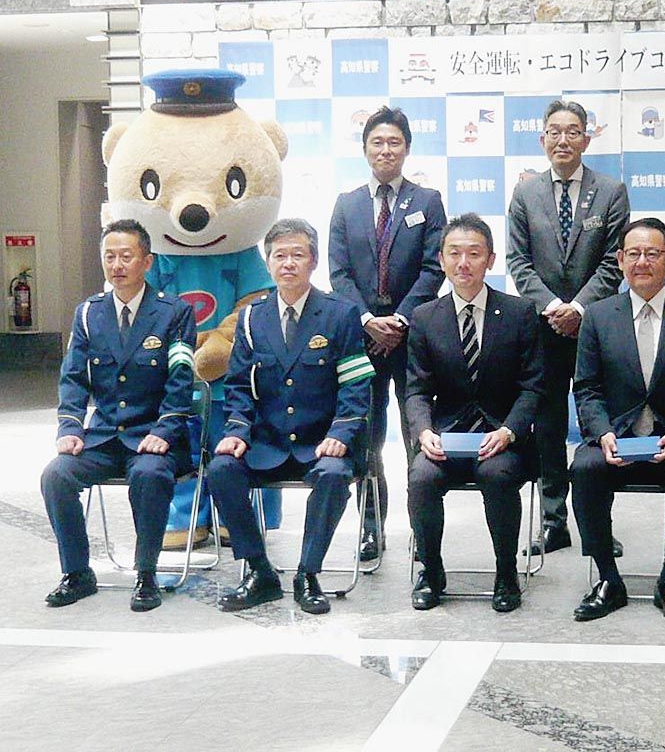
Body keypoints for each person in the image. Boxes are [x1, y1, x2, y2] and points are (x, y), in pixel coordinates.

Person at [209, 219, 375, 615]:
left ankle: (308, 574)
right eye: (279, 256)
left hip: (321, 443)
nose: (288, 264)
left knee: (333, 476)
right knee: (220, 470)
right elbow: (238, 386)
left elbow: (356, 387)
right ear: (268, 263)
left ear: (312, 261)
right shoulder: (251, 318)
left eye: (297, 255)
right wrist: (237, 431)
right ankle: (259, 570)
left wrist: (340, 434)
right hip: (266, 443)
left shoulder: (341, 315)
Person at [570, 218, 665, 624]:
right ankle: (607, 578)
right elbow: (586, 387)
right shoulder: (598, 316)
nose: (642, 262)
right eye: (633, 254)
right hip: (616, 440)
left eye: (652, 253)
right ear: (620, 260)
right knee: (584, 467)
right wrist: (602, 433)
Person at [41, 219, 197, 612]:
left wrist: (165, 429)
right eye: (109, 257)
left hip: (156, 437)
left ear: (147, 261)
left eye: (126, 256)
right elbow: (73, 378)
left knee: (149, 474)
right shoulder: (88, 313)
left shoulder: (174, 313)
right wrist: (70, 426)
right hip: (106, 436)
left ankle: (146, 574)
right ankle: (77, 573)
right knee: (56, 476)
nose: (117, 265)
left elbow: (181, 380)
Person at [507, 99, 630, 555]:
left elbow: (614, 262)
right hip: (541, 328)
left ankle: (598, 523)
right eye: (555, 131)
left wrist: (579, 307)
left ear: (586, 138)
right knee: (548, 425)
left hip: (596, 325)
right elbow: (518, 261)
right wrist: (553, 307)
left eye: (573, 131)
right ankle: (553, 521)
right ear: (543, 139)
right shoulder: (525, 193)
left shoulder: (611, 191)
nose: (563, 140)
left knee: (600, 423)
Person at [404, 214, 545, 613]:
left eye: (474, 254)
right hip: (446, 437)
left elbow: (533, 387)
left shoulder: (520, 313)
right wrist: (423, 432)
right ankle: (431, 571)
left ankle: (506, 573)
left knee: (496, 475)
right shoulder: (425, 317)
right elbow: (416, 390)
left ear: (491, 260)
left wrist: (509, 431)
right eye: (454, 254)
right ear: (442, 260)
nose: (463, 263)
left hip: (501, 438)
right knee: (421, 477)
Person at [329, 106, 446, 561]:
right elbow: (339, 272)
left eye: (394, 142)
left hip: (412, 338)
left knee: (417, 433)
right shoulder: (347, 204)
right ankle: (371, 527)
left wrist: (399, 320)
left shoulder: (427, 201)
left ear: (407, 148)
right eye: (377, 142)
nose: (385, 150)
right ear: (364, 149)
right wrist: (366, 320)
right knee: (367, 436)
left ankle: (422, 529)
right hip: (362, 340)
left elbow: (434, 268)